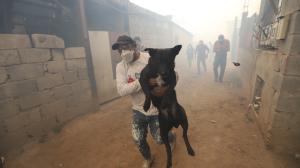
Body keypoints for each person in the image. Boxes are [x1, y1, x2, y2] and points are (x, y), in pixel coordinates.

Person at [112, 35, 176, 168]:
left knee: (160, 139)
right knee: (138, 138)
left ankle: (171, 136)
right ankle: (148, 158)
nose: (123, 52)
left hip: (155, 108)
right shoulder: (120, 67)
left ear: (134, 46)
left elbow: (174, 75)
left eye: (126, 48)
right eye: (120, 50)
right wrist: (144, 81)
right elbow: (122, 90)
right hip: (138, 109)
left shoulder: (149, 59)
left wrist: (166, 88)